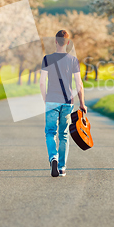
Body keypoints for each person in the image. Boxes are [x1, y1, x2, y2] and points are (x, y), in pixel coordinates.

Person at [39, 30, 87, 177]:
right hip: (67, 102)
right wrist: (82, 103)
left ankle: (52, 157)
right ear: (67, 43)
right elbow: (79, 84)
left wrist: (45, 98)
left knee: (50, 133)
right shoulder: (72, 60)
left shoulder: (47, 58)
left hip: (51, 100)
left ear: (55, 41)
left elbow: (42, 82)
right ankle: (62, 167)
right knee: (64, 134)